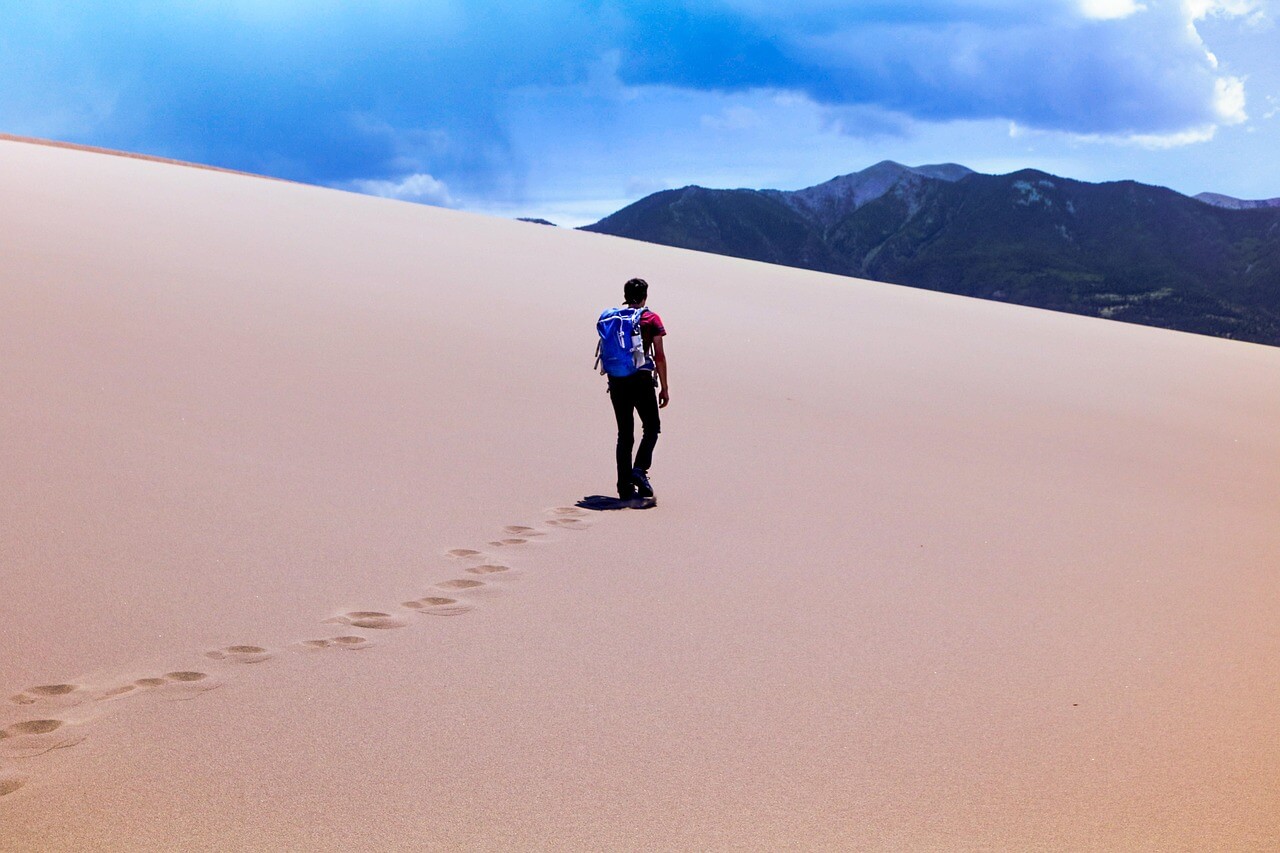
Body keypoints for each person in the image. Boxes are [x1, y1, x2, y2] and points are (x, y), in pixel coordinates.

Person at [608, 277, 668, 501]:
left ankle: (624, 487)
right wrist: (665, 387)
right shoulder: (651, 318)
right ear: (645, 296)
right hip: (641, 381)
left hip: (617, 382)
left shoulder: (613, 319)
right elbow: (659, 355)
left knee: (625, 434)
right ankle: (640, 470)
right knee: (652, 428)